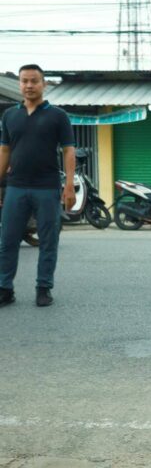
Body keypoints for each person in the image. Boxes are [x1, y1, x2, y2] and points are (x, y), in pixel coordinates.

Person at [0, 64, 76, 307]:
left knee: (48, 240)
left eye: (34, 81)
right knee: (8, 240)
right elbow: (4, 150)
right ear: (19, 84)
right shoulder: (10, 116)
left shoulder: (58, 116)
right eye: (24, 81)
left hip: (47, 187)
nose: (29, 85)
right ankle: (4, 288)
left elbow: (68, 150)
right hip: (16, 187)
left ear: (44, 84)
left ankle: (43, 288)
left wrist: (69, 186)